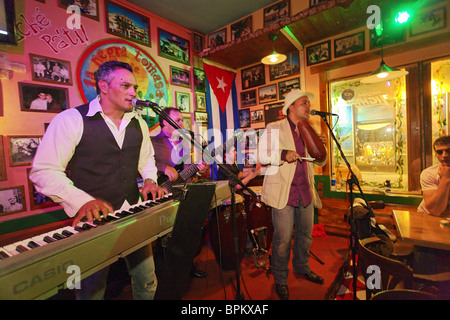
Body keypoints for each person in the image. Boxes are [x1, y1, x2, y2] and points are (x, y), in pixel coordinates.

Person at [30, 60, 167, 300]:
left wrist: (149, 180)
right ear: (103, 86)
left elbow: (146, 159)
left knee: (146, 281)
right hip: (93, 223)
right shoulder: (71, 119)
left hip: (134, 212)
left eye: (134, 87)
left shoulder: (140, 123)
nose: (133, 92)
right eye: (125, 86)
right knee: (92, 291)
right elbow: (44, 171)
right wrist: (81, 200)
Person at [258, 89, 327, 300]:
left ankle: (302, 267)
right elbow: (262, 154)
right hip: (283, 193)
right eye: (304, 103)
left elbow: (321, 162)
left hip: (305, 191)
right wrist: (282, 154)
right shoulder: (274, 128)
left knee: (305, 235)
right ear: (291, 107)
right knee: (282, 240)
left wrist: (320, 148)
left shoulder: (310, 129)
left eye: (307, 103)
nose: (308, 107)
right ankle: (280, 279)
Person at [150, 107, 209, 278]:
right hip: (163, 194)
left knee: (188, 233)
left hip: (183, 192)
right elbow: (141, 166)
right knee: (165, 237)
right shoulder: (153, 142)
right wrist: (163, 168)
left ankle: (186, 267)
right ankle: (163, 273)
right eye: (179, 120)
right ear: (165, 122)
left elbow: (183, 171)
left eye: (183, 120)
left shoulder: (184, 142)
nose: (182, 123)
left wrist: (198, 170)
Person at [417, 135, 450, 217]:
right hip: (427, 216)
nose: (444, 155)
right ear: (436, 154)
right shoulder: (429, 173)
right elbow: (434, 210)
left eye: (448, 151)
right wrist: (445, 179)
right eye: (440, 152)